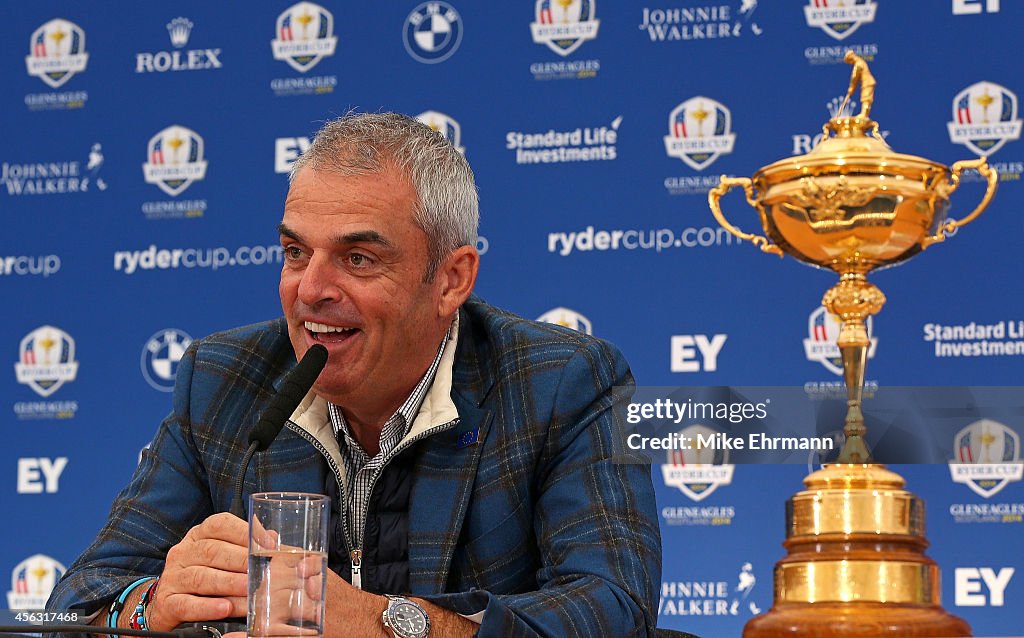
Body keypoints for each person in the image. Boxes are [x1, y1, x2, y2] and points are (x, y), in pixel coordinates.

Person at [47, 112, 662, 637]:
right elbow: (74, 603)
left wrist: (374, 621)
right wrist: (149, 606)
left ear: (452, 279)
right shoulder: (223, 382)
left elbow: (612, 607)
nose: (310, 290)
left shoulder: (562, 383)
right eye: (295, 253)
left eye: (358, 259)